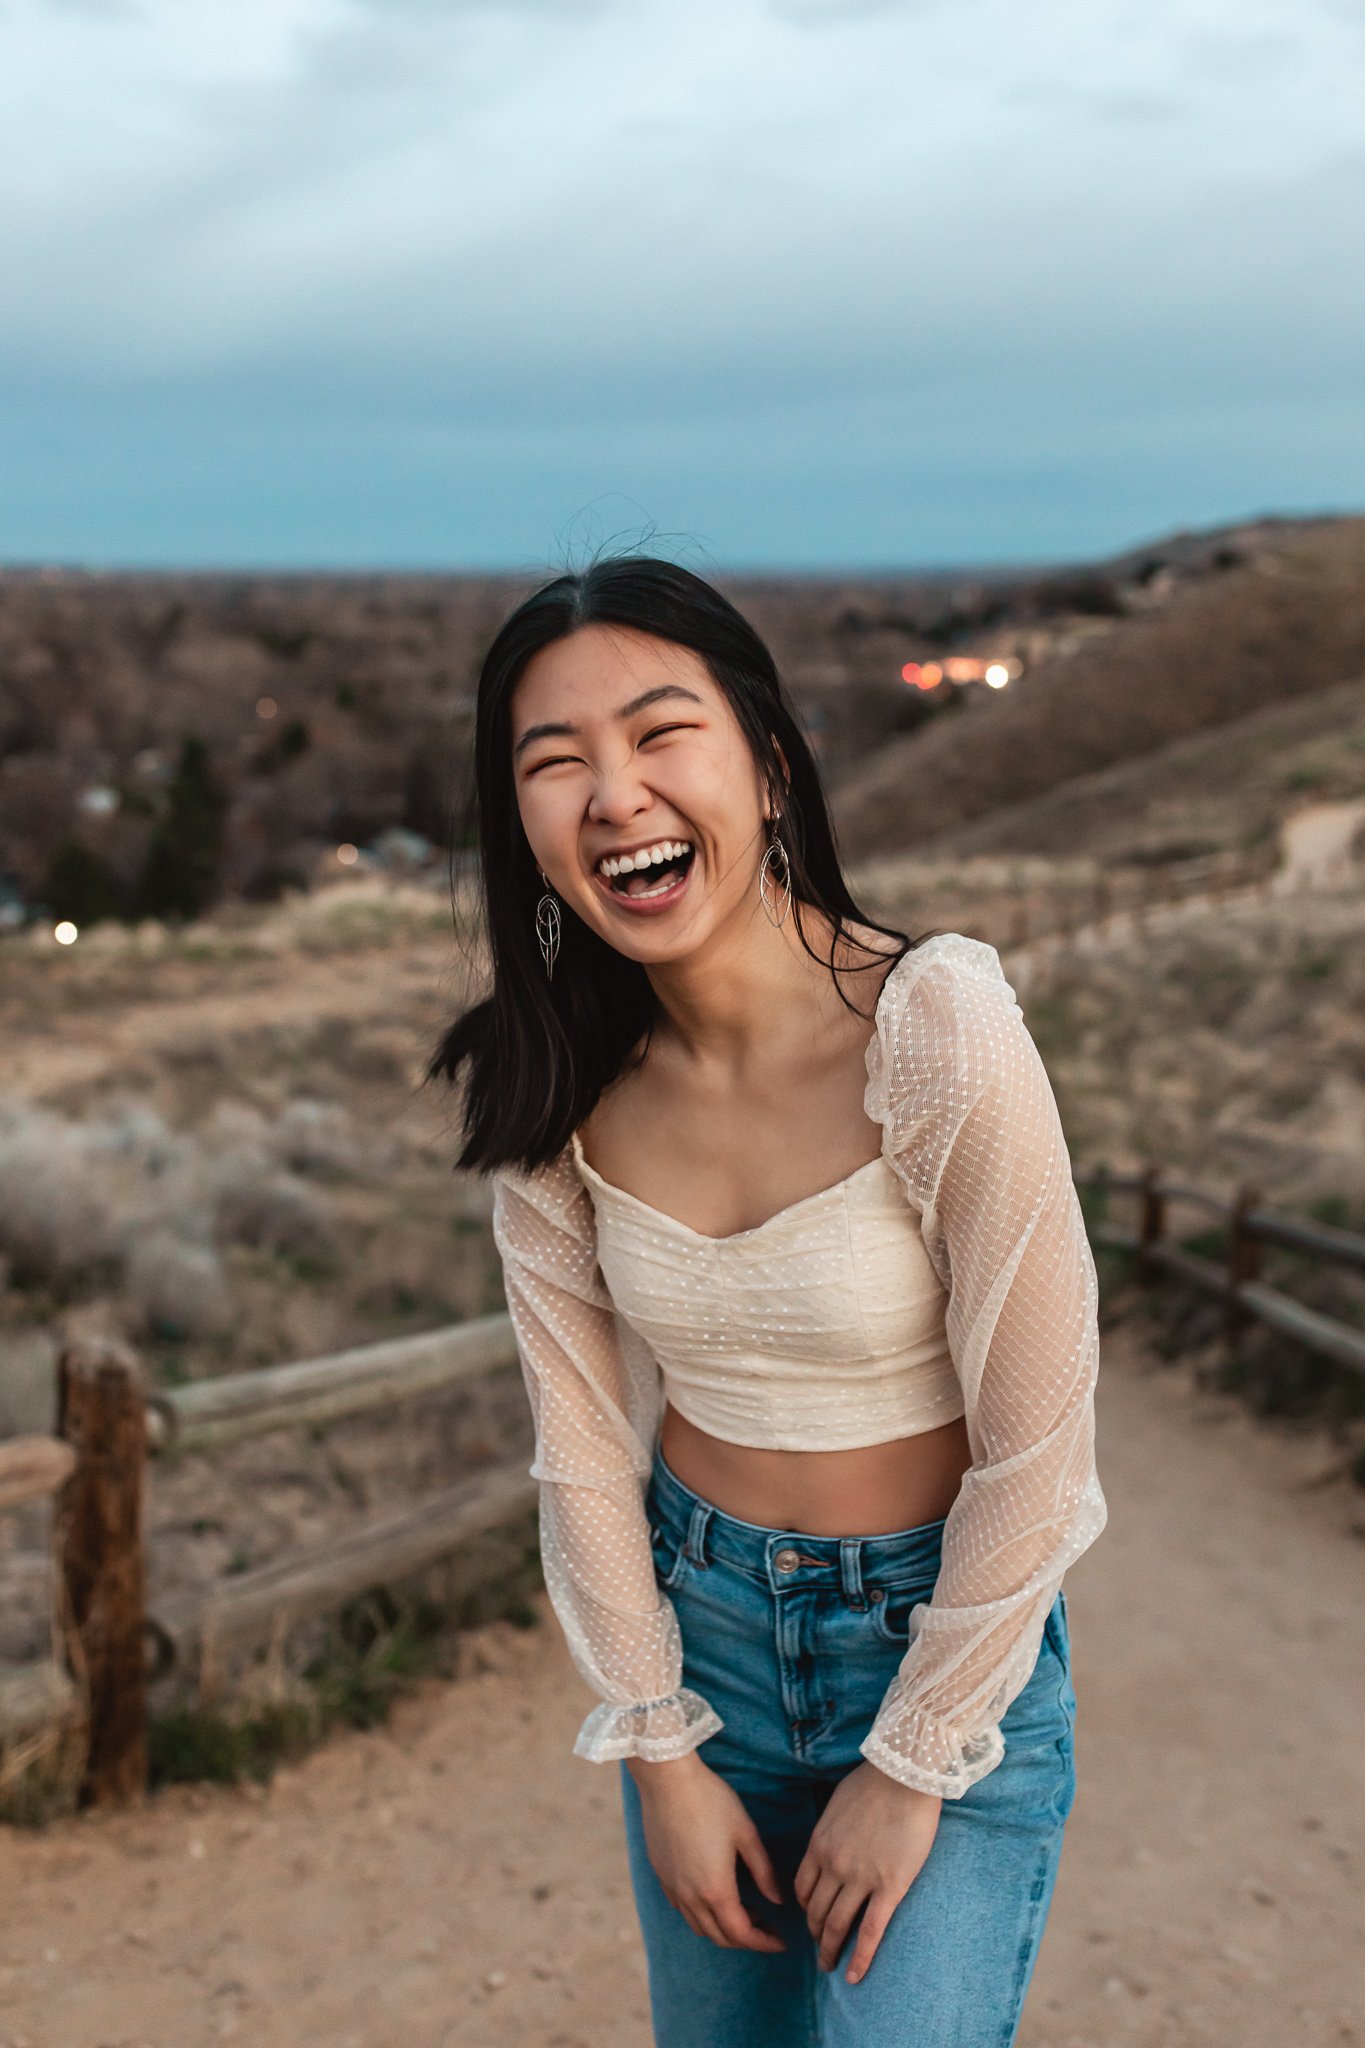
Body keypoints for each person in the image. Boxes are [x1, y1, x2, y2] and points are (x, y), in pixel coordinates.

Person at [426, 555, 1108, 2047]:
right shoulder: (551, 1089)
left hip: (940, 1646)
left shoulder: (932, 1028)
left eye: (662, 734)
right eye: (556, 763)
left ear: (772, 772)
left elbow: (1039, 1443)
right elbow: (584, 1451)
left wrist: (915, 1759)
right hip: (707, 1649)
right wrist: (659, 1754)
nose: (615, 795)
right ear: (520, 827)